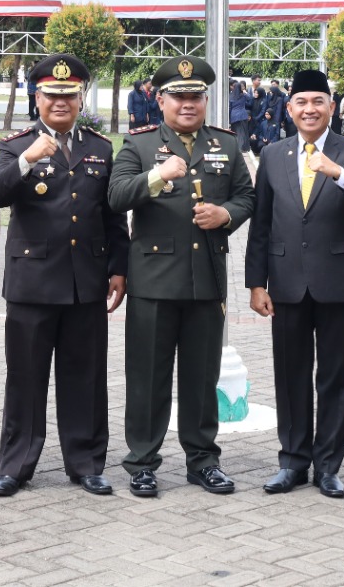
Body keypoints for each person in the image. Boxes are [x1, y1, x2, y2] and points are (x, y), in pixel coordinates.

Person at [107, 56, 255, 497]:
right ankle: (142, 462)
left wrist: (225, 213)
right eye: (178, 96)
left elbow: (247, 196)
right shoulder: (139, 145)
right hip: (154, 279)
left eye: (195, 96)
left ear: (206, 100)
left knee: (200, 376)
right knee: (148, 376)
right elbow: (115, 196)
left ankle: (203, 460)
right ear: (160, 99)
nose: (187, 104)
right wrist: (156, 176)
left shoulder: (227, 144)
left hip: (206, 277)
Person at [0, 54, 129, 496]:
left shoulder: (100, 148)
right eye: (52, 94)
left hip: (85, 281)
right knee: (25, 378)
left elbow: (112, 217)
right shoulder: (15, 145)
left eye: (70, 94)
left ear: (81, 96)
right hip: (33, 282)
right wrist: (28, 158)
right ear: (37, 96)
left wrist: (118, 269)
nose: (61, 102)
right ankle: (16, 465)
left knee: (84, 377)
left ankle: (85, 462)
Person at [246, 69, 344, 499]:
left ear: (331, 106)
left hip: (337, 282)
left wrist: (338, 173)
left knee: (335, 376)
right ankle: (292, 462)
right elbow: (262, 223)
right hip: (286, 282)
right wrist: (255, 283)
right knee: (290, 375)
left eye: (318, 102)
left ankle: (328, 466)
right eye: (301, 102)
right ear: (289, 109)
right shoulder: (274, 154)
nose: (309, 109)